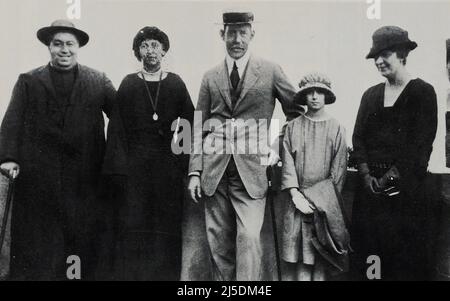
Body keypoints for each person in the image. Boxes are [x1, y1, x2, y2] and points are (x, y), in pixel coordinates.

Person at [187, 11, 303, 281]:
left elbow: (296, 112)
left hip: (251, 171)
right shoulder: (210, 76)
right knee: (218, 244)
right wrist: (194, 171)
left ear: (252, 34)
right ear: (222, 34)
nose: (237, 39)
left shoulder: (271, 70)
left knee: (249, 238)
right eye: (231, 32)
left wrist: (275, 143)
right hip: (213, 172)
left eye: (243, 32)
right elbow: (198, 125)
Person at [0, 20, 116, 280]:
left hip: (86, 178)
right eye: (58, 44)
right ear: (49, 47)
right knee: (41, 244)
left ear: (78, 48)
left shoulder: (98, 80)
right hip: (40, 179)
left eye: (70, 44)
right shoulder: (28, 81)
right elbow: (12, 121)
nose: (64, 50)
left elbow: (122, 118)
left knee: (82, 240)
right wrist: (8, 158)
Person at [351, 26, 438, 280]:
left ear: (401, 54)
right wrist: (368, 178)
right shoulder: (370, 96)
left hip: (405, 198)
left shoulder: (423, 93)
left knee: (403, 265)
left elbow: (420, 147)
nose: (378, 61)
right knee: (370, 264)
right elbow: (358, 138)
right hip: (369, 198)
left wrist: (388, 180)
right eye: (375, 56)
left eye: (385, 54)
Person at [109, 26, 194, 280]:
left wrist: (181, 161)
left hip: (167, 167)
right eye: (145, 45)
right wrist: (119, 170)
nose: (151, 51)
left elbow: (189, 122)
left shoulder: (176, 82)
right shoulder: (128, 83)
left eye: (155, 45)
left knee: (167, 226)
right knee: (135, 225)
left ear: (164, 50)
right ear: (138, 52)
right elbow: (116, 129)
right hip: (135, 168)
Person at [281, 73, 349, 281]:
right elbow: (288, 164)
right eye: (309, 92)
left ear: (326, 95)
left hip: (324, 207)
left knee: (320, 261)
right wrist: (296, 195)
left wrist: (321, 202)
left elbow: (338, 172)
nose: (314, 97)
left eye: (319, 92)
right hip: (298, 204)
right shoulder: (293, 128)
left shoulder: (337, 128)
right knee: (302, 260)